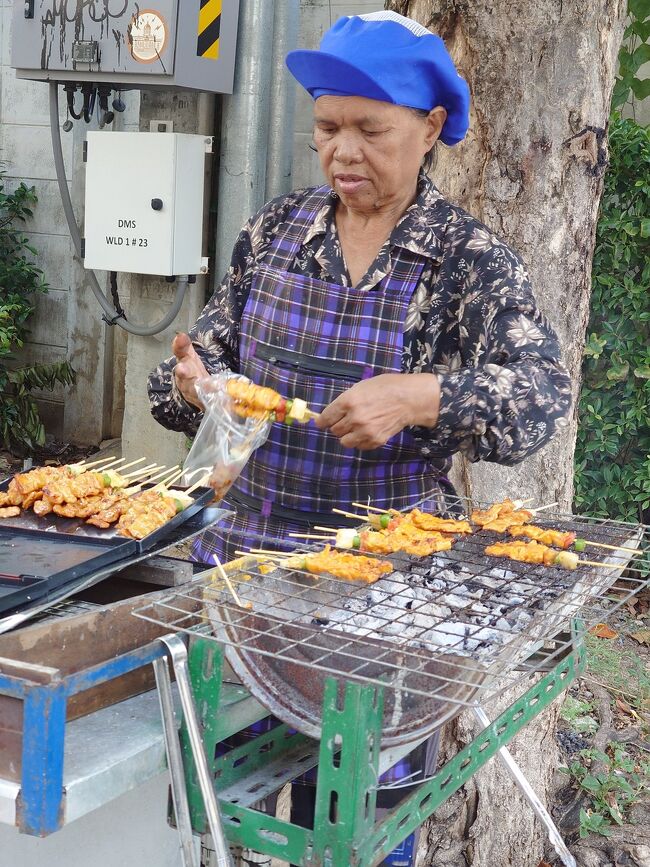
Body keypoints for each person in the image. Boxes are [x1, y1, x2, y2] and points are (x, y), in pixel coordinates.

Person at [148, 10, 572, 864]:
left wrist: (425, 397)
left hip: (384, 597)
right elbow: (192, 372)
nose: (344, 151)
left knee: (363, 829)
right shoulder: (275, 235)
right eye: (328, 126)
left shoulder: (464, 261)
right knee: (225, 815)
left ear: (430, 128)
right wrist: (194, 383)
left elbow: (540, 395)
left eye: (370, 130)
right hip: (245, 574)